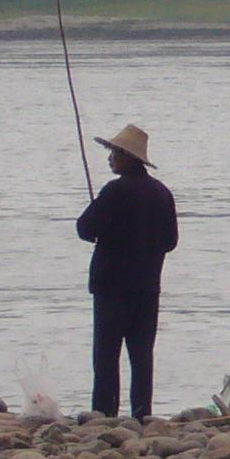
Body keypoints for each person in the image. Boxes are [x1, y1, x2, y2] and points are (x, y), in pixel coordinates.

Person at [75, 123, 178, 421]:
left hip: (111, 287)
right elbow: (171, 241)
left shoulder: (114, 191)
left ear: (127, 157)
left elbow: (85, 228)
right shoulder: (162, 193)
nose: (109, 158)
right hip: (147, 287)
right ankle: (142, 414)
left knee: (106, 355)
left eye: (114, 153)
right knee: (142, 355)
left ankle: (104, 413)